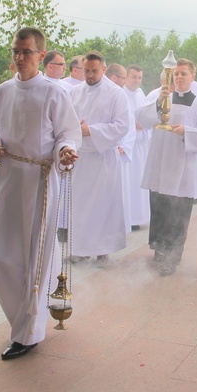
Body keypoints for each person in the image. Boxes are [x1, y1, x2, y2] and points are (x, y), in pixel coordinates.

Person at [0, 27, 81, 360]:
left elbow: (67, 134)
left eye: (26, 52)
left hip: (39, 182)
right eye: (15, 51)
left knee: (33, 260)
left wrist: (66, 150)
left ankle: (28, 332)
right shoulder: (1, 92)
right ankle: (21, 321)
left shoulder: (54, 93)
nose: (19, 57)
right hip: (7, 179)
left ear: (41, 55)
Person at [137, 58, 197, 276]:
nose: (179, 77)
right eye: (176, 74)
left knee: (179, 213)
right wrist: (157, 103)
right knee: (160, 210)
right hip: (161, 165)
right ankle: (160, 250)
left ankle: (173, 255)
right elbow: (142, 119)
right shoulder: (161, 97)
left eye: (184, 73)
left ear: (193, 76)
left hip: (183, 167)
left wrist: (187, 132)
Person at [70, 51, 130, 264]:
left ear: (104, 69)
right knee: (80, 205)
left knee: (103, 205)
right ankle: (79, 248)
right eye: (86, 70)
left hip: (104, 157)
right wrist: (75, 130)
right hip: (81, 158)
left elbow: (122, 126)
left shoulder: (116, 93)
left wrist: (91, 130)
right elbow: (67, 121)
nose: (90, 74)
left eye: (94, 71)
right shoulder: (75, 92)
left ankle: (102, 250)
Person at [106, 63, 136, 233]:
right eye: (124, 77)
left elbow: (128, 124)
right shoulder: (99, 93)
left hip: (118, 152)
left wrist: (124, 146)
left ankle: (115, 229)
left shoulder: (121, 95)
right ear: (114, 77)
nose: (125, 82)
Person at [123, 64, 150, 230]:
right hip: (129, 147)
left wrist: (145, 123)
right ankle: (130, 218)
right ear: (126, 77)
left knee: (140, 182)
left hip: (141, 146)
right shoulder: (120, 94)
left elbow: (147, 114)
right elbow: (119, 117)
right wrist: (134, 124)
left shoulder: (141, 94)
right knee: (130, 182)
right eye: (134, 77)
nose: (137, 81)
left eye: (140, 77)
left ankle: (139, 216)